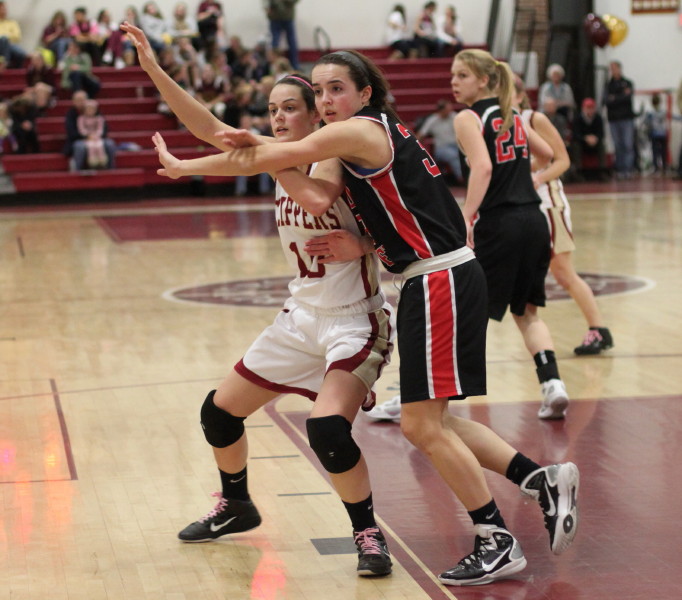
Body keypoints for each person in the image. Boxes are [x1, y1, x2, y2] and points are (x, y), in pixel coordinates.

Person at [130, 28, 580, 584]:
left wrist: (206, 164)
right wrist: (157, 75)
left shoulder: (351, 136)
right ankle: (540, 480)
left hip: (423, 284)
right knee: (430, 422)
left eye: (333, 90)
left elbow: (299, 183)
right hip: (412, 281)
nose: (323, 101)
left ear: (365, 94)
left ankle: (494, 537)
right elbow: (226, 137)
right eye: (316, 92)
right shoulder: (346, 137)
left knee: (419, 427)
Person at [121, 22, 397, 578]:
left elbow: (332, 204)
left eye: (290, 108)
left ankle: (368, 533)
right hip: (300, 317)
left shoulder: (338, 156)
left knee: (327, 431)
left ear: (317, 116)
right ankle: (237, 504)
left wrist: (363, 241)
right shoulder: (278, 153)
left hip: (354, 321)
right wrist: (155, 72)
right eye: (272, 110)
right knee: (218, 413)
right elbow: (210, 129)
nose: (277, 118)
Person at [449, 49, 572, 421]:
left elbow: (483, 168)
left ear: (484, 80)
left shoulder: (468, 117)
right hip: (533, 220)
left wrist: (465, 215)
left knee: (464, 311)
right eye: (453, 75)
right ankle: (552, 383)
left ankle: (430, 398)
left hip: (500, 222)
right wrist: (521, 174)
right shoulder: (513, 114)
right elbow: (547, 153)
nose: (454, 82)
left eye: (462, 75)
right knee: (526, 312)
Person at [515, 76, 614, 356]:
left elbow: (563, 160)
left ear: (519, 95)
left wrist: (536, 177)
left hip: (549, 204)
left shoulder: (533, 119)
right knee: (524, 274)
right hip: (524, 207)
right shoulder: (495, 122)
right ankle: (535, 336)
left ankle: (598, 329)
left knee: (563, 273)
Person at [64, 90, 116, 171]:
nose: (81, 103)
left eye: (82, 100)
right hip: (80, 139)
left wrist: (96, 136)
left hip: (97, 138)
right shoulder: (71, 114)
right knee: (79, 146)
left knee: (109, 144)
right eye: (78, 100)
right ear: (73, 102)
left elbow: (104, 129)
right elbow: (71, 132)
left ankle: (110, 169)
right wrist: (87, 136)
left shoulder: (96, 113)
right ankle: (77, 171)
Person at [417, 98, 463, 183]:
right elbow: (421, 134)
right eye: (448, 110)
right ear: (441, 110)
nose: (450, 111)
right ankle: (462, 178)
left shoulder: (454, 116)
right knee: (453, 155)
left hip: (456, 145)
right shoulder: (433, 120)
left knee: (466, 153)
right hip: (442, 148)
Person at [604, 60, 636, 179]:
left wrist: (615, 98)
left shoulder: (627, 83)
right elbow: (606, 101)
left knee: (628, 144)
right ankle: (620, 169)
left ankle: (628, 169)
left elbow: (627, 98)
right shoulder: (608, 85)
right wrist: (621, 96)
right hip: (613, 119)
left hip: (626, 118)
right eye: (611, 69)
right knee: (618, 145)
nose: (612, 71)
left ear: (619, 69)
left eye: (614, 68)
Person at [571, 97, 608, 180]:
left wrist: (595, 138)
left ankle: (602, 171)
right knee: (575, 145)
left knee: (602, 145)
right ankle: (578, 171)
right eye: (588, 108)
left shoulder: (598, 118)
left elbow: (601, 133)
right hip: (582, 143)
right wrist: (585, 138)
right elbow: (575, 134)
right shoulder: (577, 118)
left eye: (592, 108)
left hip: (594, 143)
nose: (590, 110)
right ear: (583, 109)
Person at [264, 0, 299, 70]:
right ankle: (274, 65)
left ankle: (294, 65)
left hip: (286, 16)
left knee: (291, 42)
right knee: (275, 43)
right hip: (276, 16)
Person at [77, 99, 110, 168]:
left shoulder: (99, 118)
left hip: (97, 137)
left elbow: (100, 128)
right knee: (91, 145)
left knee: (99, 145)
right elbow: (81, 129)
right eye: (88, 109)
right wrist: (88, 135)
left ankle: (102, 160)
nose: (90, 111)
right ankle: (92, 161)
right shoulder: (81, 118)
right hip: (87, 137)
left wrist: (97, 135)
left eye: (92, 109)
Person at [644, 93, 669, 175]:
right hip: (661, 133)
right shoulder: (663, 111)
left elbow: (646, 122)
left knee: (656, 151)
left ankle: (657, 167)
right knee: (662, 151)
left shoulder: (650, 112)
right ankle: (663, 167)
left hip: (655, 134)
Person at [0, 1, 27, 69]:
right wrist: (5, 37)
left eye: (4, 8)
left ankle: (10, 67)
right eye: (1, 8)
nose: (4, 10)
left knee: (21, 54)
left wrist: (5, 36)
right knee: (3, 39)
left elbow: (17, 37)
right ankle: (5, 63)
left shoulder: (12, 22)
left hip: (10, 45)